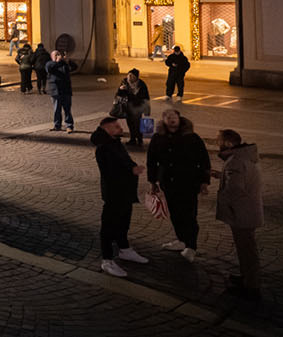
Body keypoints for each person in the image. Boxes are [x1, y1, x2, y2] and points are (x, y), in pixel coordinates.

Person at [146, 108, 211, 261]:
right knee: (175, 213)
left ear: (179, 118)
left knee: (189, 214)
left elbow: (203, 160)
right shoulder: (158, 138)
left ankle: (191, 246)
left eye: (174, 116)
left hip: (189, 182)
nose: (171, 119)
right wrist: (152, 181)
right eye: (168, 117)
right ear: (164, 120)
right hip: (168, 182)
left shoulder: (192, 137)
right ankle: (181, 240)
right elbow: (151, 161)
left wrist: (204, 182)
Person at [91, 116, 148, 278]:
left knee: (124, 221)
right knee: (109, 226)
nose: (120, 128)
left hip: (125, 191)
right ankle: (107, 260)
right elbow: (110, 172)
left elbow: (125, 161)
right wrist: (131, 171)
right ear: (107, 129)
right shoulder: (104, 148)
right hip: (114, 193)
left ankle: (124, 249)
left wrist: (132, 168)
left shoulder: (114, 142)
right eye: (116, 126)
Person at [212, 129, 263, 300]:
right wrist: (221, 176)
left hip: (242, 213)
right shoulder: (244, 157)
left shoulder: (235, 162)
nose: (216, 144)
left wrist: (223, 199)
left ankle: (251, 286)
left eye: (218, 141)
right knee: (246, 248)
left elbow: (235, 189)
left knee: (247, 250)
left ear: (228, 143)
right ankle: (247, 278)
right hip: (247, 210)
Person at [114, 69, 151, 147]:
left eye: (132, 76)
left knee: (137, 123)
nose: (130, 77)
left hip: (138, 106)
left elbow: (146, 96)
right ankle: (133, 139)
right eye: (129, 75)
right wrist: (121, 89)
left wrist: (146, 108)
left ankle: (139, 139)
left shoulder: (141, 84)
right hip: (128, 106)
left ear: (136, 77)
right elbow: (119, 94)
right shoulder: (124, 82)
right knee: (130, 123)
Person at [45, 50, 78, 133]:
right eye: (56, 55)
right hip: (55, 91)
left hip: (66, 90)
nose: (58, 56)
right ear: (52, 56)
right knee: (57, 109)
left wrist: (69, 61)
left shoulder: (64, 64)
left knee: (67, 109)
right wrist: (57, 61)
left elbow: (75, 67)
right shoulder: (49, 64)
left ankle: (69, 126)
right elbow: (49, 69)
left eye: (59, 54)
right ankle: (57, 125)